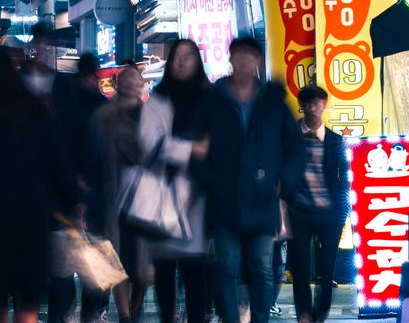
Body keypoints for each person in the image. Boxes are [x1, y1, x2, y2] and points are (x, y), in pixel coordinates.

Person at [0, 48, 81, 323]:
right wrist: (72, 199)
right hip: (30, 214)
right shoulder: (34, 108)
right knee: (27, 297)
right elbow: (56, 160)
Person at [196, 37, 305, 323]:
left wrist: (282, 181)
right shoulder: (213, 101)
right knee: (227, 267)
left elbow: (296, 150)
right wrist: (209, 181)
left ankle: (260, 320)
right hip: (223, 200)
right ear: (230, 58)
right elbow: (197, 148)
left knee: (261, 268)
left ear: (258, 61)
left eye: (251, 55)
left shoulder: (274, 104)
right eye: (239, 55)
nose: (244, 60)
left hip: (261, 199)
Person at [139, 39, 213, 323]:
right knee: (165, 267)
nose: (182, 61)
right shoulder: (158, 99)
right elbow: (149, 143)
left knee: (196, 269)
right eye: (177, 56)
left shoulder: (210, 98)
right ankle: (167, 318)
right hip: (163, 192)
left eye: (189, 56)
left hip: (200, 194)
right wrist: (192, 148)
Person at [49, 53, 110, 323]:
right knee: (94, 256)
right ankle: (92, 312)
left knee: (64, 266)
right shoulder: (99, 106)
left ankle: (67, 313)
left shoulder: (64, 103)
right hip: (91, 193)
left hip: (68, 193)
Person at [88, 65, 152, 323]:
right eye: (126, 80)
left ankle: (132, 309)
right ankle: (126, 314)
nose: (131, 84)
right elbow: (93, 158)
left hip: (144, 198)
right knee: (117, 260)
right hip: (112, 196)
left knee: (142, 267)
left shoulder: (151, 116)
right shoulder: (103, 116)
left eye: (135, 80)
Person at [285, 86, 350, 323]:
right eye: (308, 103)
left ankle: (320, 313)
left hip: (329, 214)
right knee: (300, 268)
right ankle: (304, 313)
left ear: (325, 105)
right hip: (298, 212)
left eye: (318, 103)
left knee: (327, 270)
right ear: (302, 105)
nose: (313, 108)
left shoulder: (335, 140)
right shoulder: (289, 136)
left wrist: (342, 212)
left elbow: (345, 176)